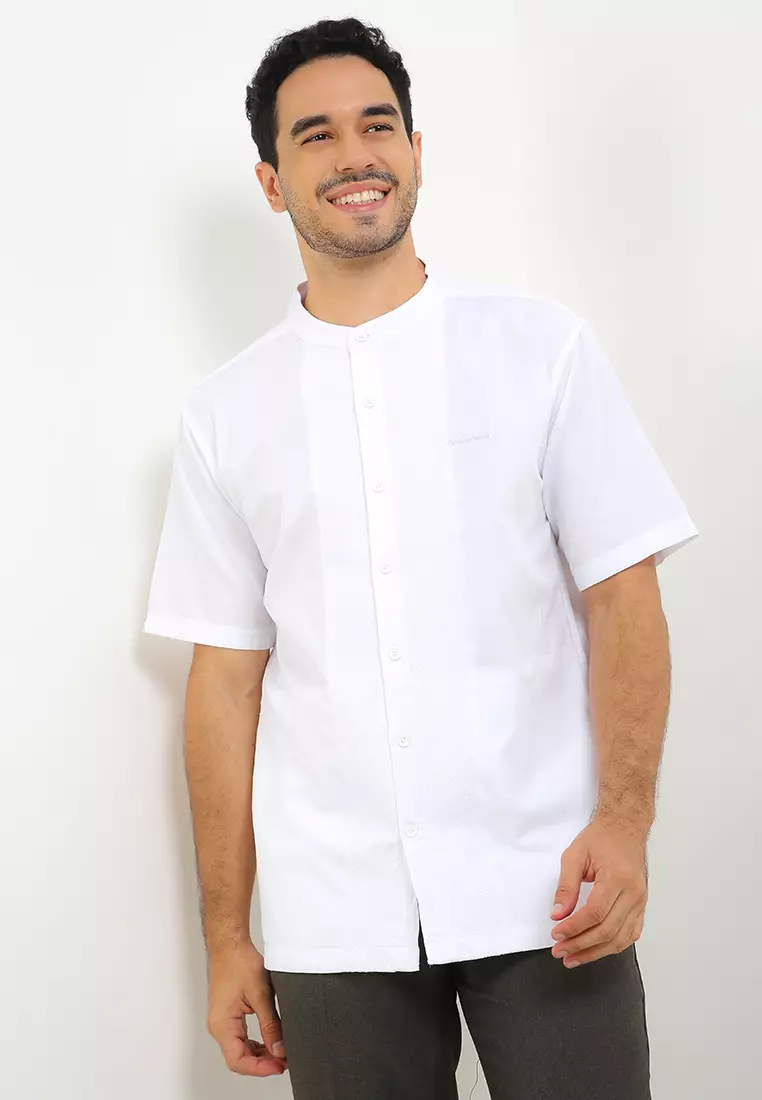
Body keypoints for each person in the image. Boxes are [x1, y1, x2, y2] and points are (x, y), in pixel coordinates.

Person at [142, 16, 699, 1099]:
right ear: (272, 182)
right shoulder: (223, 416)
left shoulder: (541, 351)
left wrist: (626, 820)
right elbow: (224, 683)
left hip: (549, 883)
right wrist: (227, 935)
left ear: (416, 150)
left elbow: (624, 595)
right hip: (331, 912)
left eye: (377, 124)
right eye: (316, 135)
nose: (355, 153)